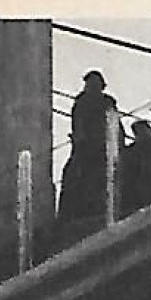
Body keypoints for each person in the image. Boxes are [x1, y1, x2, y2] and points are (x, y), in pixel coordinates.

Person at [59, 71, 123, 222]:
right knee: (75, 176)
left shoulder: (107, 103)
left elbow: (115, 126)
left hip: (102, 148)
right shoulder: (81, 104)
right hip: (87, 149)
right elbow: (78, 126)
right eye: (90, 84)